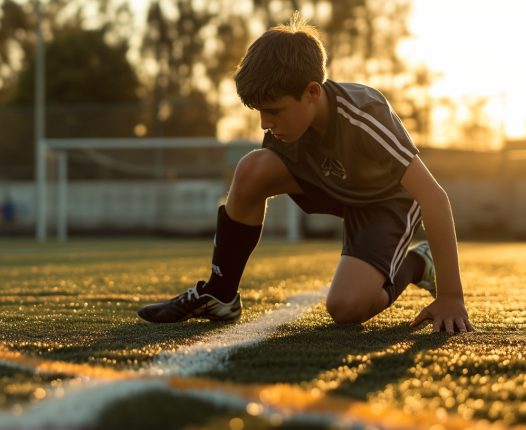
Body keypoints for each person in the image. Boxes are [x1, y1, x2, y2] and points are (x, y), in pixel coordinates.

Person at [137, 13, 474, 334]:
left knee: (346, 308)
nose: (265, 123)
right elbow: (261, 173)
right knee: (252, 167)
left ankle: (418, 262)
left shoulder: (364, 114)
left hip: (384, 200)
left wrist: (451, 297)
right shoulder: (288, 125)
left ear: (312, 92)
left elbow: (434, 196)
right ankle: (221, 294)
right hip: (334, 183)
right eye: (259, 112)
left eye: (273, 111)